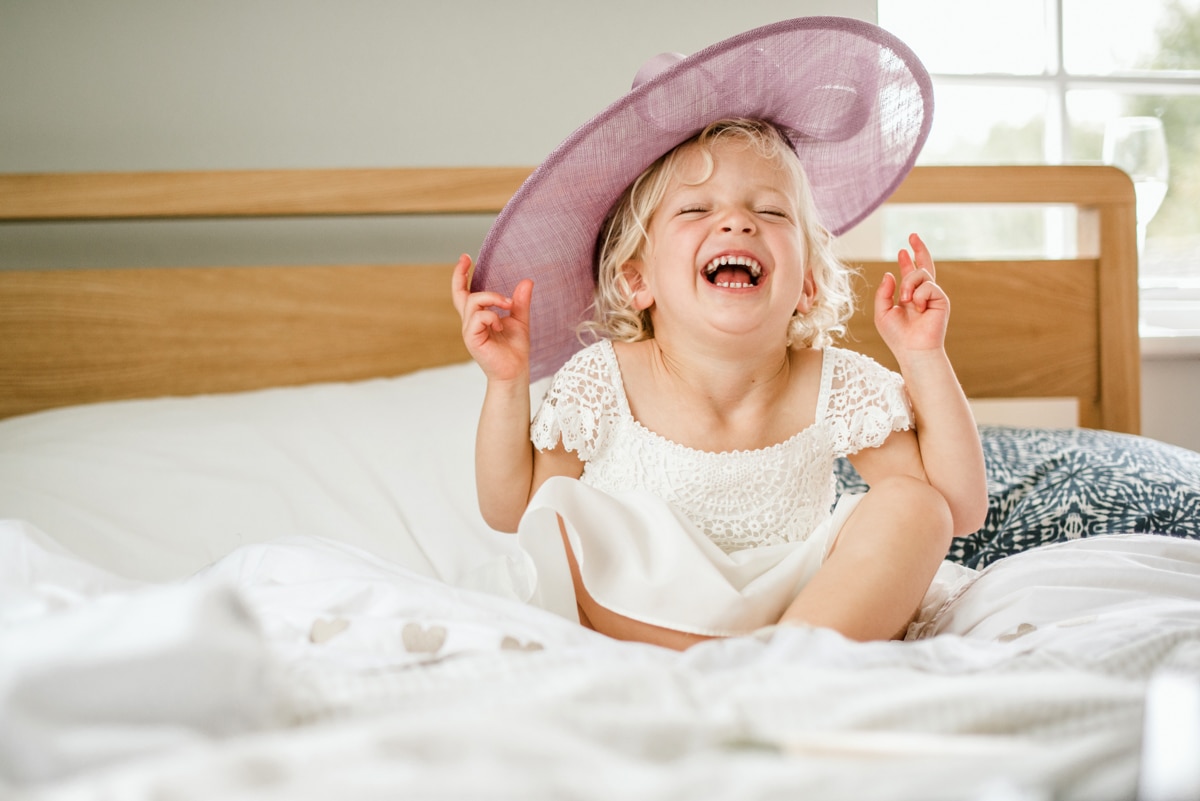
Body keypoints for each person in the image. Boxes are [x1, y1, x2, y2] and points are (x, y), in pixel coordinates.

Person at [451, 18, 988, 650]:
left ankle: (786, 663)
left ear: (808, 284)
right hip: (642, 613)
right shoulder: (606, 378)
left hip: (802, 613)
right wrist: (507, 382)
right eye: (696, 209)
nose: (736, 223)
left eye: (769, 210)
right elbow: (511, 510)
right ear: (635, 281)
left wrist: (923, 357)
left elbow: (960, 507)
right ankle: (731, 670)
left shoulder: (835, 384)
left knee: (917, 508)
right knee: (562, 514)